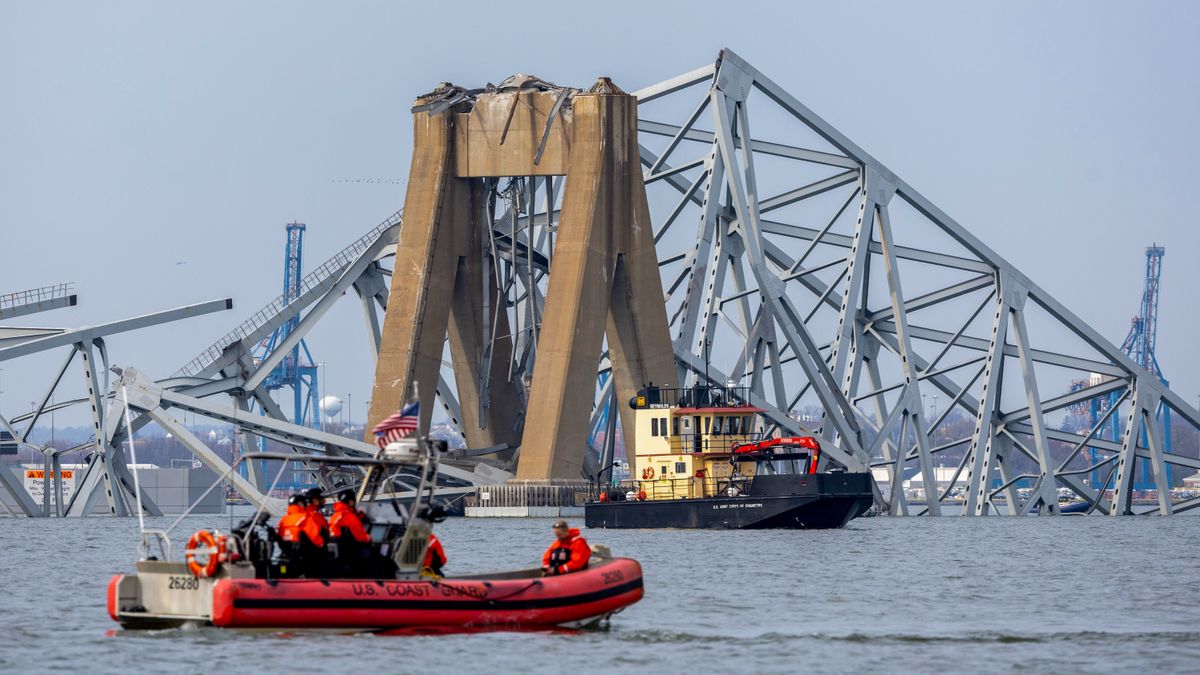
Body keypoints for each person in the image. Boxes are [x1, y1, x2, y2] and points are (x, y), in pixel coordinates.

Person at [329, 490, 371, 577]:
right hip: (349, 552)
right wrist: (368, 538)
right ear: (351, 501)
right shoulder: (348, 516)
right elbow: (360, 536)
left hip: (339, 551)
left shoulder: (336, 515)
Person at [276, 494, 309, 577]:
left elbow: (279, 538)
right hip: (302, 561)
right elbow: (317, 540)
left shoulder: (284, 520)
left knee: (283, 572)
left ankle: (283, 575)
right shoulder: (306, 518)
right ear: (301, 504)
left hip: (284, 559)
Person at [301, 488, 329, 578]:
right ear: (315, 500)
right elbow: (320, 541)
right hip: (316, 560)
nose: (324, 501)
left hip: (304, 558)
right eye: (322, 499)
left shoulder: (302, 514)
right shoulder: (315, 517)